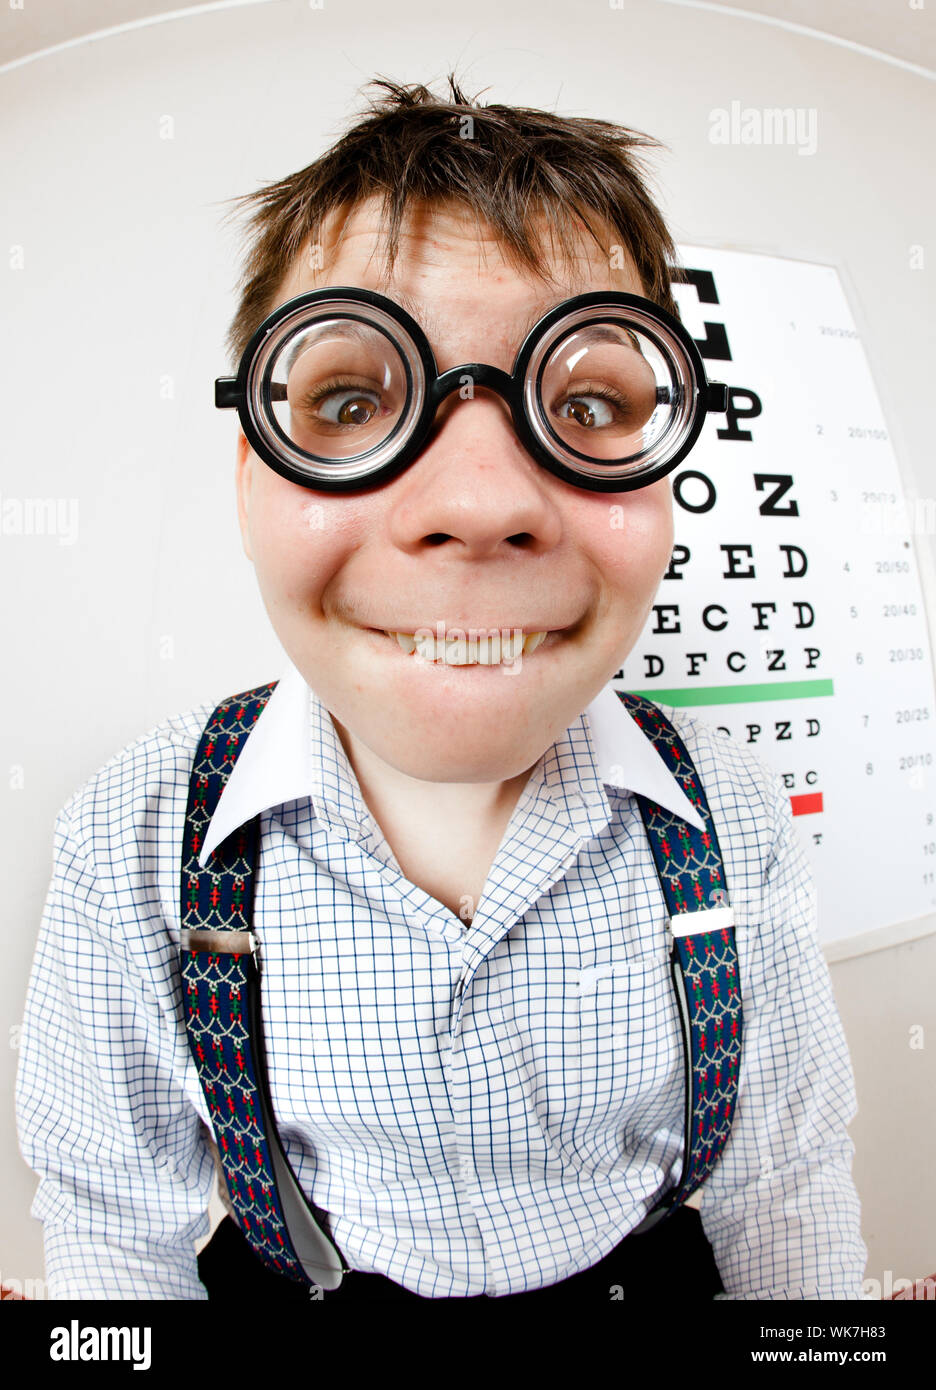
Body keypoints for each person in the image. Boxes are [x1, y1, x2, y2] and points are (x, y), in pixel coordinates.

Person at [15, 75, 866, 1301]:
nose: (480, 504)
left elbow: (781, 1184)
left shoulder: (734, 815)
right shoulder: (132, 836)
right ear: (252, 475)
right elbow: (116, 1230)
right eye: (353, 401)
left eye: (584, 403)